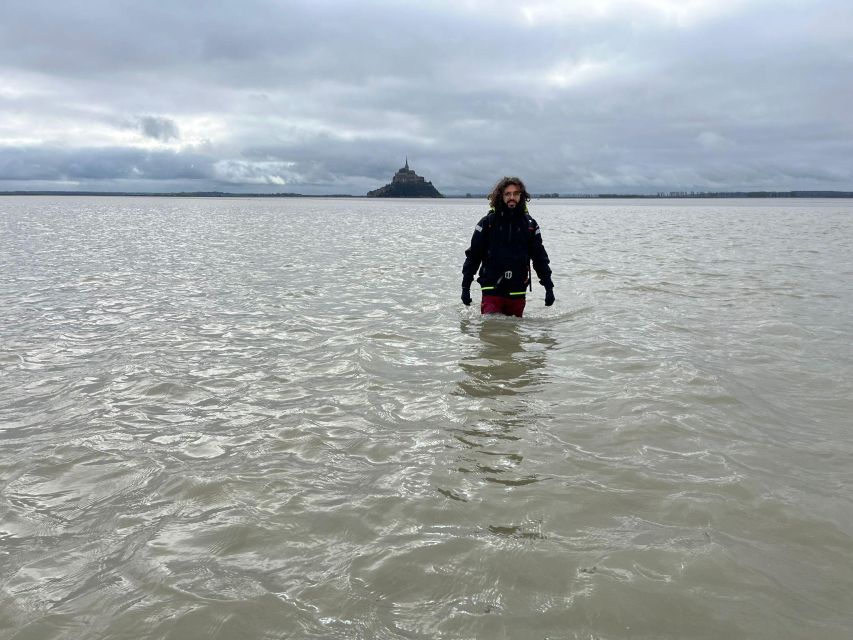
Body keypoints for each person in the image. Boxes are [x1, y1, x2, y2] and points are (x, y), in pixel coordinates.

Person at [461, 176, 555, 317]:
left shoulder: (530, 225)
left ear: (521, 196)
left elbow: (540, 257)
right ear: (501, 196)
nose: (512, 197)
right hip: (491, 288)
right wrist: (465, 286)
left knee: (514, 335)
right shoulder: (487, 223)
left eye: (516, 193)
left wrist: (549, 287)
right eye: (508, 194)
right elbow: (474, 255)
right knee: (491, 332)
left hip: (517, 290)